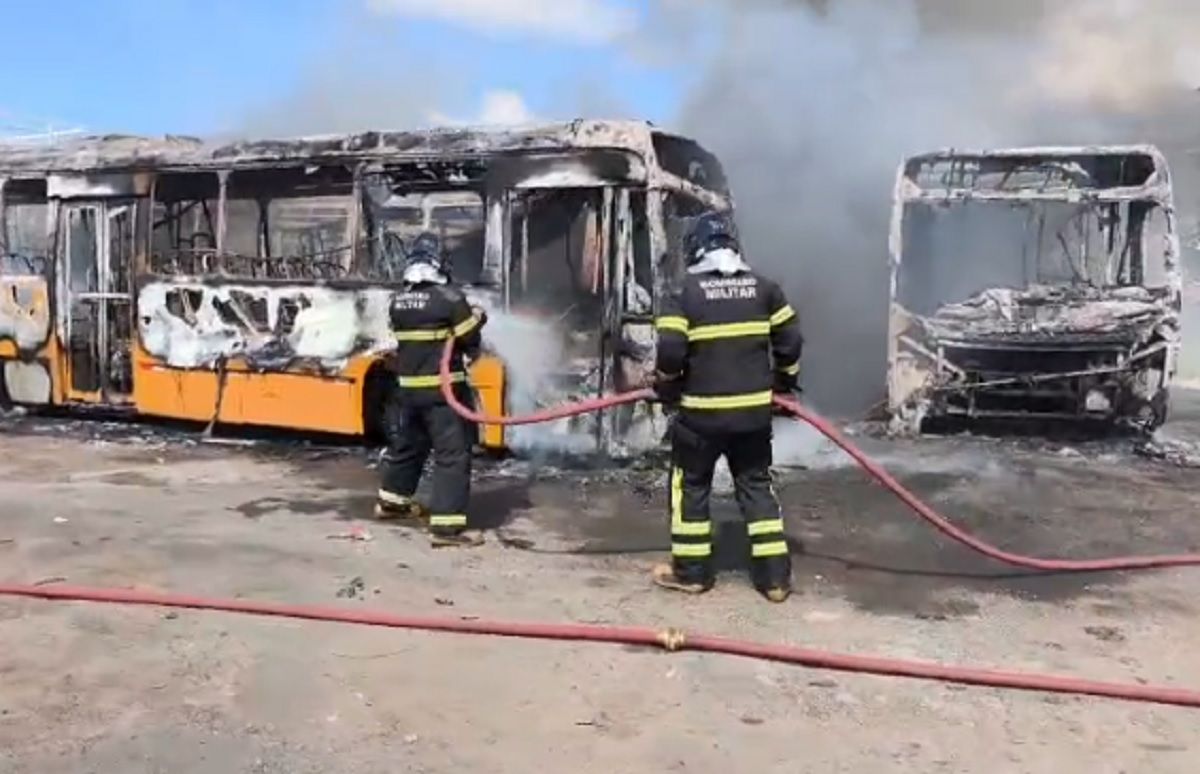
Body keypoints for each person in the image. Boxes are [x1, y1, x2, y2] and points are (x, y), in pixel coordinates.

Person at [652, 211, 803, 602]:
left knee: (692, 486)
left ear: (695, 249)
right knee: (755, 486)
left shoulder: (683, 292)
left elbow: (670, 351)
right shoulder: (766, 289)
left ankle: (692, 574)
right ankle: (774, 580)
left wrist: (667, 386)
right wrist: (784, 382)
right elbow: (791, 339)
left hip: (701, 417)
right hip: (753, 416)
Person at [375, 231, 487, 548]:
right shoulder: (449, 299)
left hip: (408, 392)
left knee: (409, 446)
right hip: (443, 393)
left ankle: (392, 503)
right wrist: (478, 318)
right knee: (452, 454)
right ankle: (446, 528)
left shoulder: (398, 302)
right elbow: (469, 340)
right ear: (439, 262)